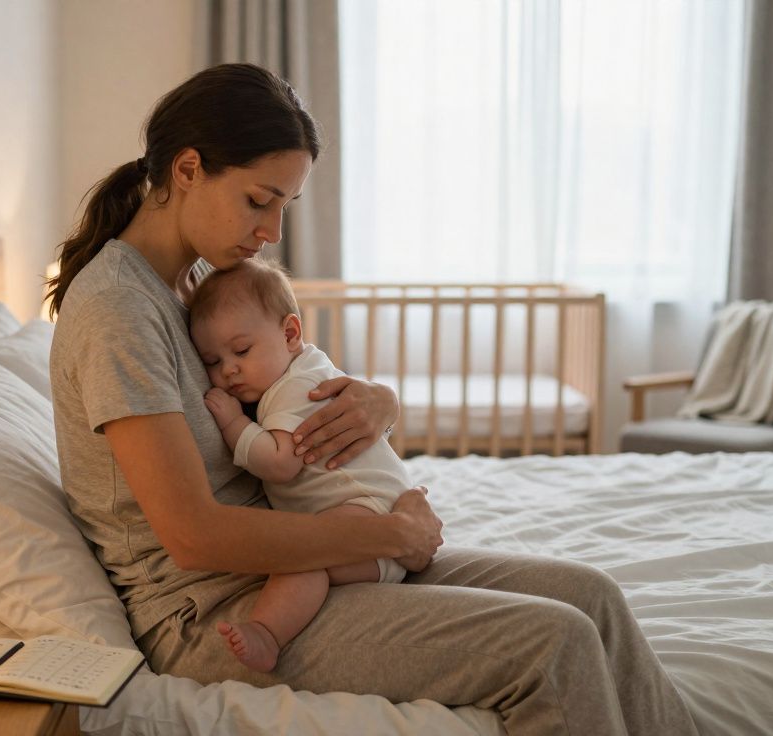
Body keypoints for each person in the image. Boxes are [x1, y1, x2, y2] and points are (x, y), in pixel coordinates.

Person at [47, 62, 697, 736]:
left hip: (303, 560)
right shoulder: (119, 309)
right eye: (258, 200)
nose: (271, 231)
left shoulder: (202, 278)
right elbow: (191, 534)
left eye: (282, 208)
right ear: (186, 171)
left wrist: (378, 401)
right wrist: (384, 533)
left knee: (594, 595)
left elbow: (292, 374)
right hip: (216, 609)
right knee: (553, 642)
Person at [189, 258, 420, 673]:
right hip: (384, 506)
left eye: (241, 350)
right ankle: (410, 542)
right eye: (212, 361)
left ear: (290, 333)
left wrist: (233, 422)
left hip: (367, 514)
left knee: (302, 559)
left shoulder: (292, 389)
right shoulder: (305, 366)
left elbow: (281, 464)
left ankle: (268, 632)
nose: (228, 370)